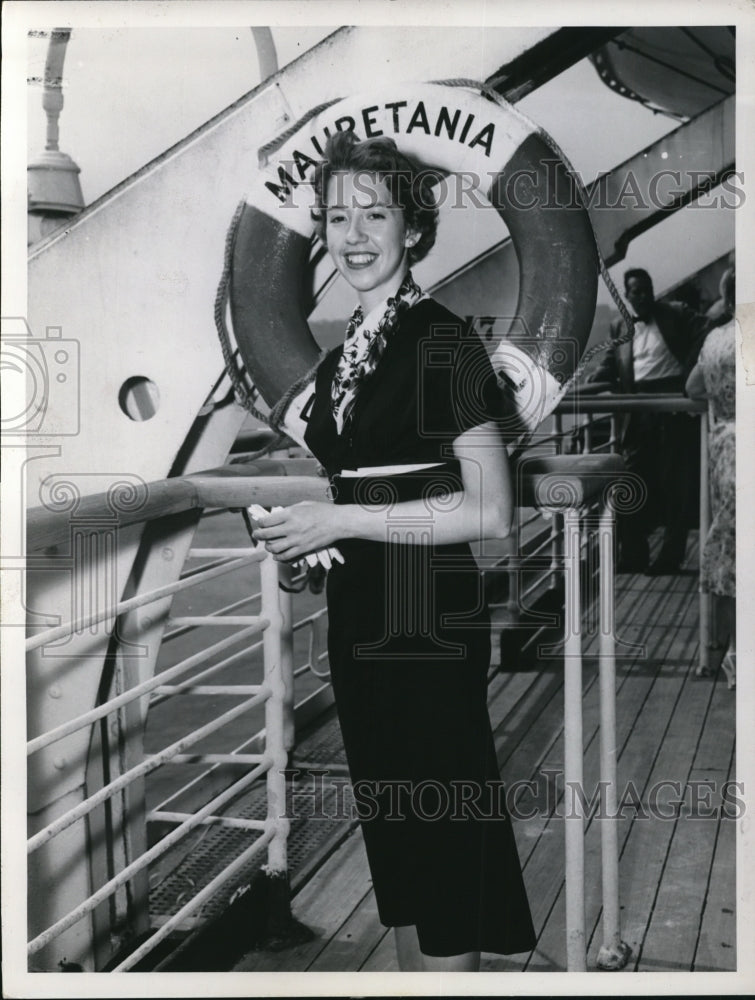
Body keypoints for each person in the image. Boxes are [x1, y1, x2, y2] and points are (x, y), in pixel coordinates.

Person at [253, 131, 535, 971]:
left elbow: (490, 509)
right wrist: (309, 545)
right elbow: (361, 492)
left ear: (413, 228)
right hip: (364, 622)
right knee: (402, 852)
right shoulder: (343, 358)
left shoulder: (440, 342)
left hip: (428, 625)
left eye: (374, 214)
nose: (354, 234)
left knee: (442, 848)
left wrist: (341, 522)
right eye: (337, 216)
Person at [588, 268, 706, 574]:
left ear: (652, 291)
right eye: (635, 291)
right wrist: (581, 386)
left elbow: (706, 331)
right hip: (638, 411)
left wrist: (689, 373)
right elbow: (608, 367)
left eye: (646, 289)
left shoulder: (675, 313)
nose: (642, 296)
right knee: (630, 479)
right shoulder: (619, 327)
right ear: (626, 296)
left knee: (674, 486)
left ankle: (670, 558)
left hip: (672, 406)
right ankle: (634, 555)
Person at [685, 267, 736, 689]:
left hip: (725, 450)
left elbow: (693, 387)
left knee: (733, 553)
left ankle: (735, 653)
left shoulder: (716, 339)